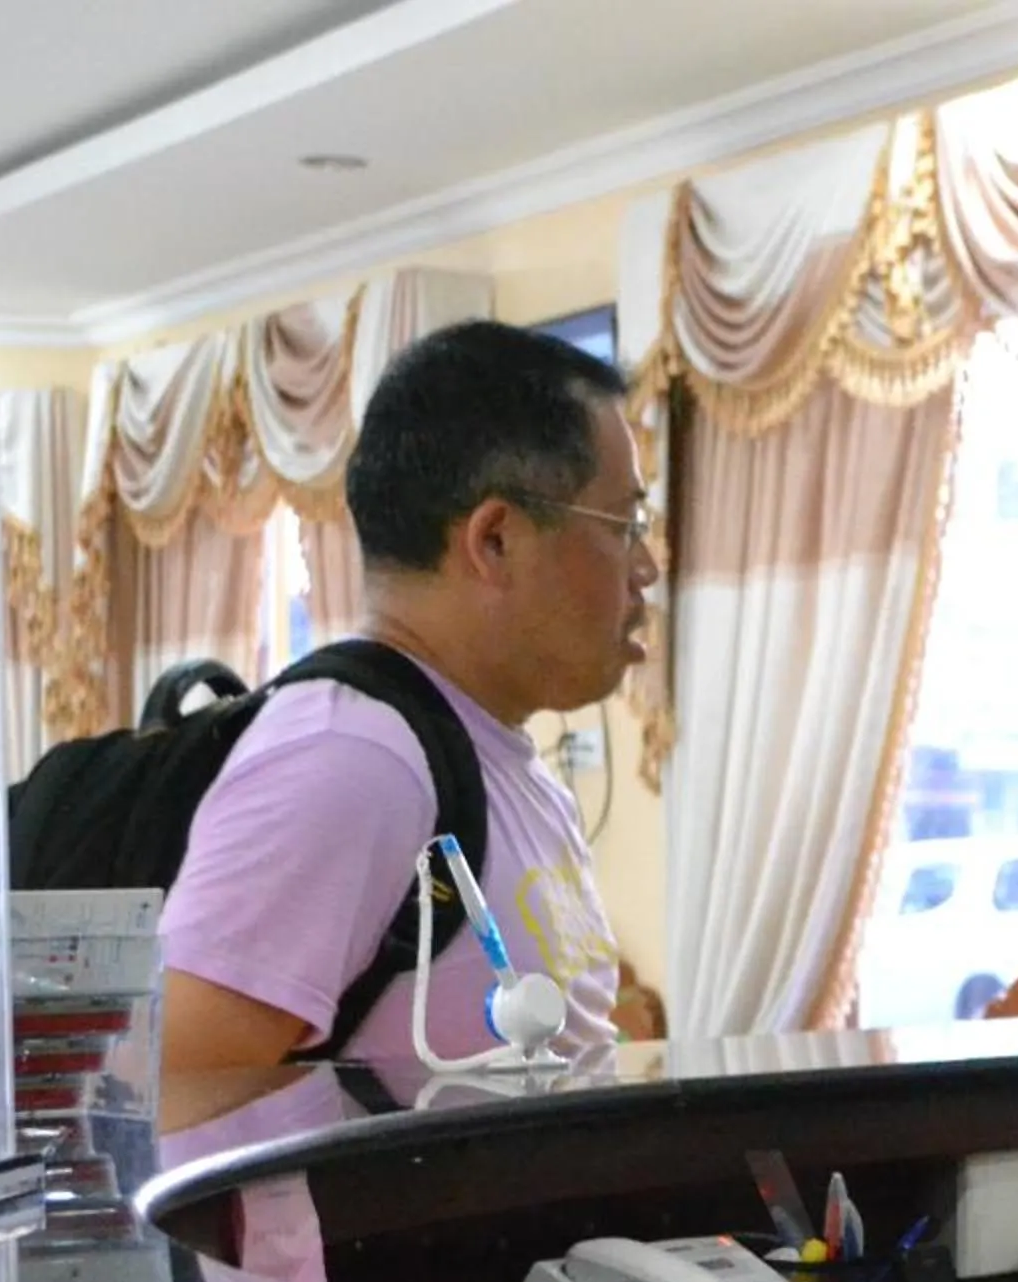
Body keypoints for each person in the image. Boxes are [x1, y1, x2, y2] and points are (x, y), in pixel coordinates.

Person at [159, 320, 657, 1072]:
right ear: (495, 540)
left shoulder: (500, 766)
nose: (647, 567)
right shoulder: (348, 762)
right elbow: (179, 1101)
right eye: (625, 525)